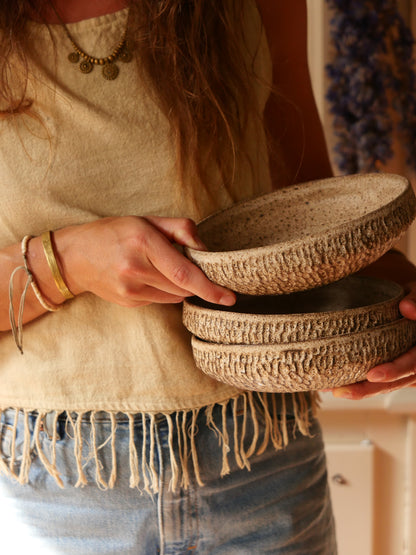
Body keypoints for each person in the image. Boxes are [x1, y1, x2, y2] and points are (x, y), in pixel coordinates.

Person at [0, 1, 415, 554]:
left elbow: (307, 204)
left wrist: (390, 307)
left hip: (263, 458)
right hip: (62, 487)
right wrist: (65, 262)